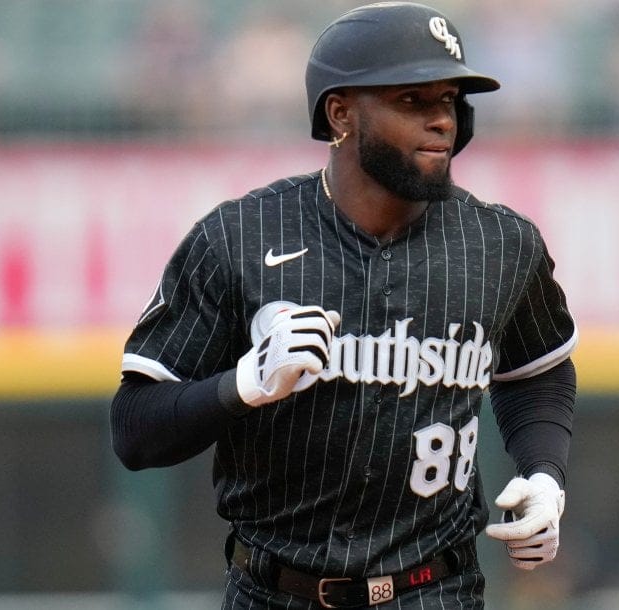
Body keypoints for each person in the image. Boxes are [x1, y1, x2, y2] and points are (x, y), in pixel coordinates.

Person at [111, 3, 578, 608]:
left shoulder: (500, 244)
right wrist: (243, 384)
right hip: (276, 590)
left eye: (450, 101)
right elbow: (135, 429)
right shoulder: (240, 237)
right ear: (340, 113)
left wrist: (545, 473)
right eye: (413, 101)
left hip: (436, 588)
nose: (442, 121)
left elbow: (537, 373)